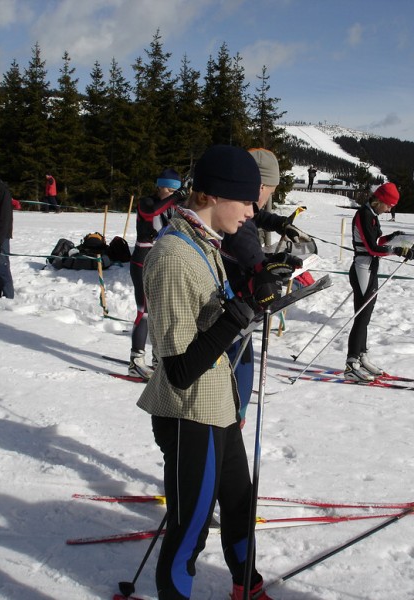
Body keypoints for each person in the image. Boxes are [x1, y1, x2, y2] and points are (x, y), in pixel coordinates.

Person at [136, 145, 276, 600]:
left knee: (239, 503)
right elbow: (178, 368)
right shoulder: (175, 257)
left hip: (217, 401)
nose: (254, 211)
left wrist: (254, 291)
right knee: (190, 527)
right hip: (189, 411)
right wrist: (238, 315)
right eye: (248, 200)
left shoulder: (203, 244)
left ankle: (246, 586)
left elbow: (210, 312)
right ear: (214, 197)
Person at [222, 148, 305, 426]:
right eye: (270, 189)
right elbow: (247, 248)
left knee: (239, 354)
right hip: (232, 302)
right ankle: (237, 414)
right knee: (239, 355)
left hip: (233, 297)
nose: (269, 196)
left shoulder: (233, 206)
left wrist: (281, 224)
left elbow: (257, 217)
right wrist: (267, 269)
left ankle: (235, 412)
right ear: (259, 185)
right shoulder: (238, 218)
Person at [345, 182, 414, 381]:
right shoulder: (364, 214)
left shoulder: (373, 216)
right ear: (379, 200)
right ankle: (351, 363)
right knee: (361, 315)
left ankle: (361, 356)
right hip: (362, 268)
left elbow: (377, 242)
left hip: (370, 268)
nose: (390, 209)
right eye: (388, 205)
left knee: (366, 315)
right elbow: (371, 248)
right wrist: (397, 250)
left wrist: (393, 238)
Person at [128, 168, 187, 379]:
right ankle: (136, 360)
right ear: (159, 186)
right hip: (142, 261)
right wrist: (176, 198)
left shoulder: (175, 204)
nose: (170, 193)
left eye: (174, 189)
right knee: (144, 312)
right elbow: (152, 212)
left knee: (159, 313)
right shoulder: (147, 202)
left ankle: (157, 358)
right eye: (167, 188)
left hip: (162, 261)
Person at [0, 177, 15, 299]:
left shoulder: (2, 190)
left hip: (1, 236)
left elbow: (4, 218)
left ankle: (9, 298)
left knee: (2, 267)